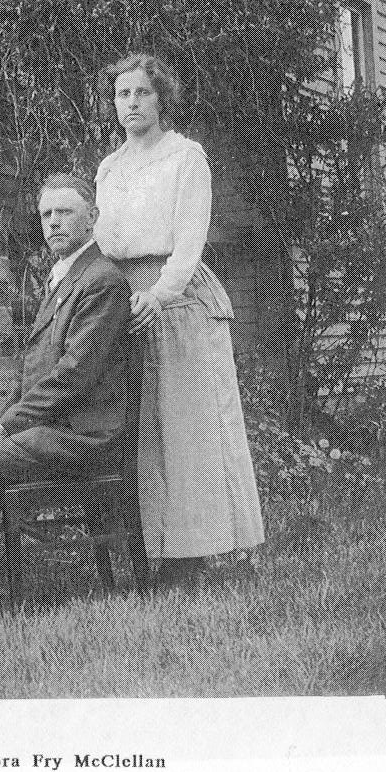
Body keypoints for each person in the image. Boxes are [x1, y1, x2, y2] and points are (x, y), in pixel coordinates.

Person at [0, 175, 133, 619]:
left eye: (65, 212)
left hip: (82, 437)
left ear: (92, 217)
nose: (53, 223)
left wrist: (7, 424)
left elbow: (73, 377)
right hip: (46, 428)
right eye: (47, 214)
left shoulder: (102, 282)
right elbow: (31, 371)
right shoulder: (63, 278)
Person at [93, 53, 265, 585]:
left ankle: (191, 555)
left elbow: (189, 241)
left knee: (185, 429)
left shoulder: (185, 157)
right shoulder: (109, 167)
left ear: (161, 98)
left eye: (142, 93)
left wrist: (159, 297)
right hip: (123, 297)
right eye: (123, 95)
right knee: (140, 430)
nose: (132, 104)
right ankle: (152, 549)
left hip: (179, 298)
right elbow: (104, 242)